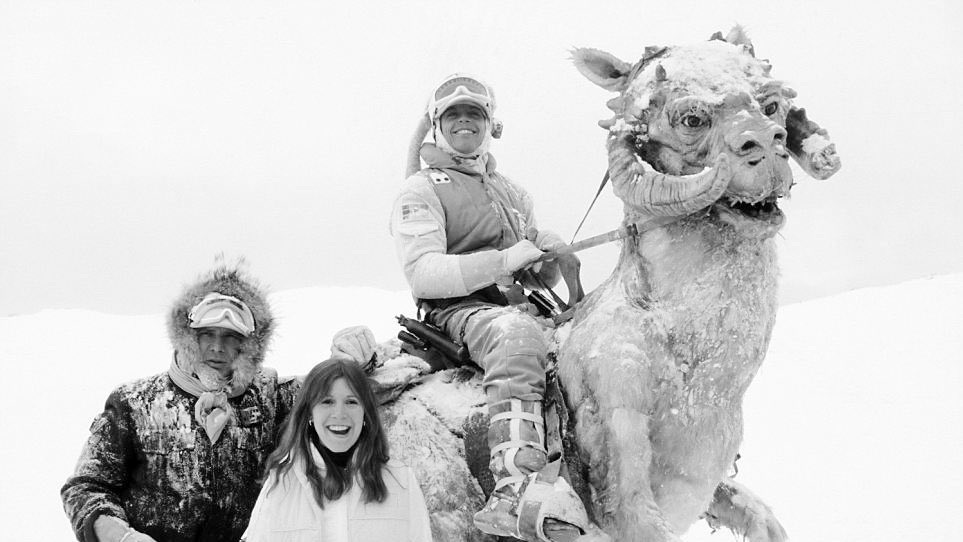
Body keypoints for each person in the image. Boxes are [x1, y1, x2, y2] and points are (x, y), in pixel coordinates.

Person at [389, 74, 588, 542]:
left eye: (474, 114)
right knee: (516, 337)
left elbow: (533, 276)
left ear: (490, 125)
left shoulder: (513, 193)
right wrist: (501, 261)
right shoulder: (420, 190)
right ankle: (513, 487)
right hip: (457, 313)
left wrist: (552, 259)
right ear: (436, 126)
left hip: (520, 305)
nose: (464, 121)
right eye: (453, 115)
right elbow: (422, 273)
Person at [60, 264, 370, 542]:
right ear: (187, 335)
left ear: (249, 344)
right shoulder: (135, 403)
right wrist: (122, 537)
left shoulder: (272, 396)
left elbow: (329, 393)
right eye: (207, 333)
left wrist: (354, 358)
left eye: (231, 336)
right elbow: (85, 487)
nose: (217, 347)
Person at [241, 358, 432, 541]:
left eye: (351, 402)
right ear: (309, 412)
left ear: (366, 412)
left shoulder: (402, 482)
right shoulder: (280, 483)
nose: (339, 414)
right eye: (327, 401)